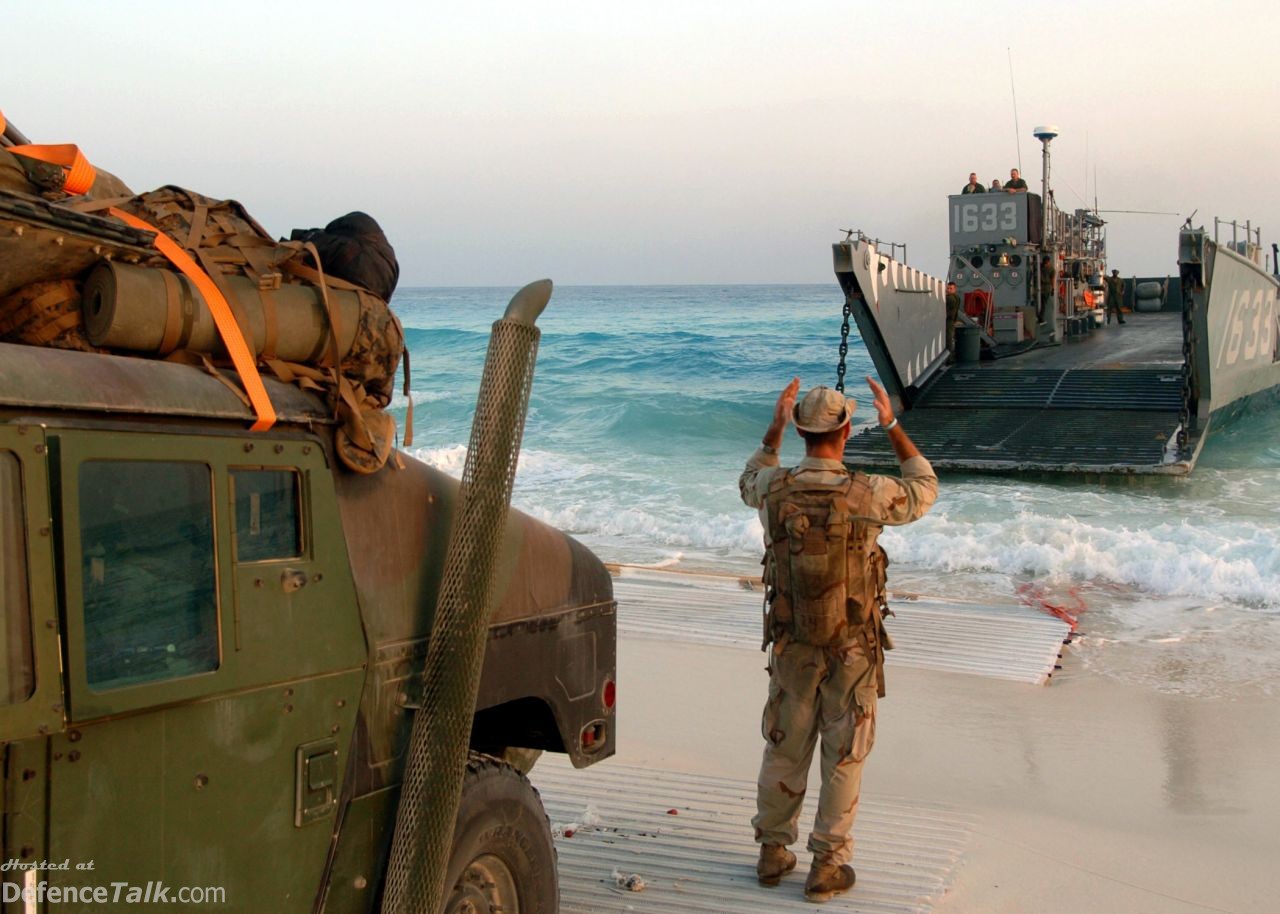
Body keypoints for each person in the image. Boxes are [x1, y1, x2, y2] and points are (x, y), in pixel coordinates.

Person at [740, 378, 938, 903]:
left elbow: (748, 478)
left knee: (784, 745)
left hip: (793, 642)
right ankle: (827, 863)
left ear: (802, 431)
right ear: (847, 430)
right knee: (844, 753)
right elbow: (924, 488)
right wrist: (893, 426)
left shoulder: (773, 487)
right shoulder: (869, 491)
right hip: (853, 647)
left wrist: (774, 429)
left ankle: (772, 851)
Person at [945, 281, 961, 362]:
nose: (948, 290)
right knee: (950, 340)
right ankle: (950, 358)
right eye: (948, 288)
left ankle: (949, 359)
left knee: (948, 341)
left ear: (954, 289)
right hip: (952, 321)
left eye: (950, 288)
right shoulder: (957, 298)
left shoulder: (949, 298)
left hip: (948, 321)